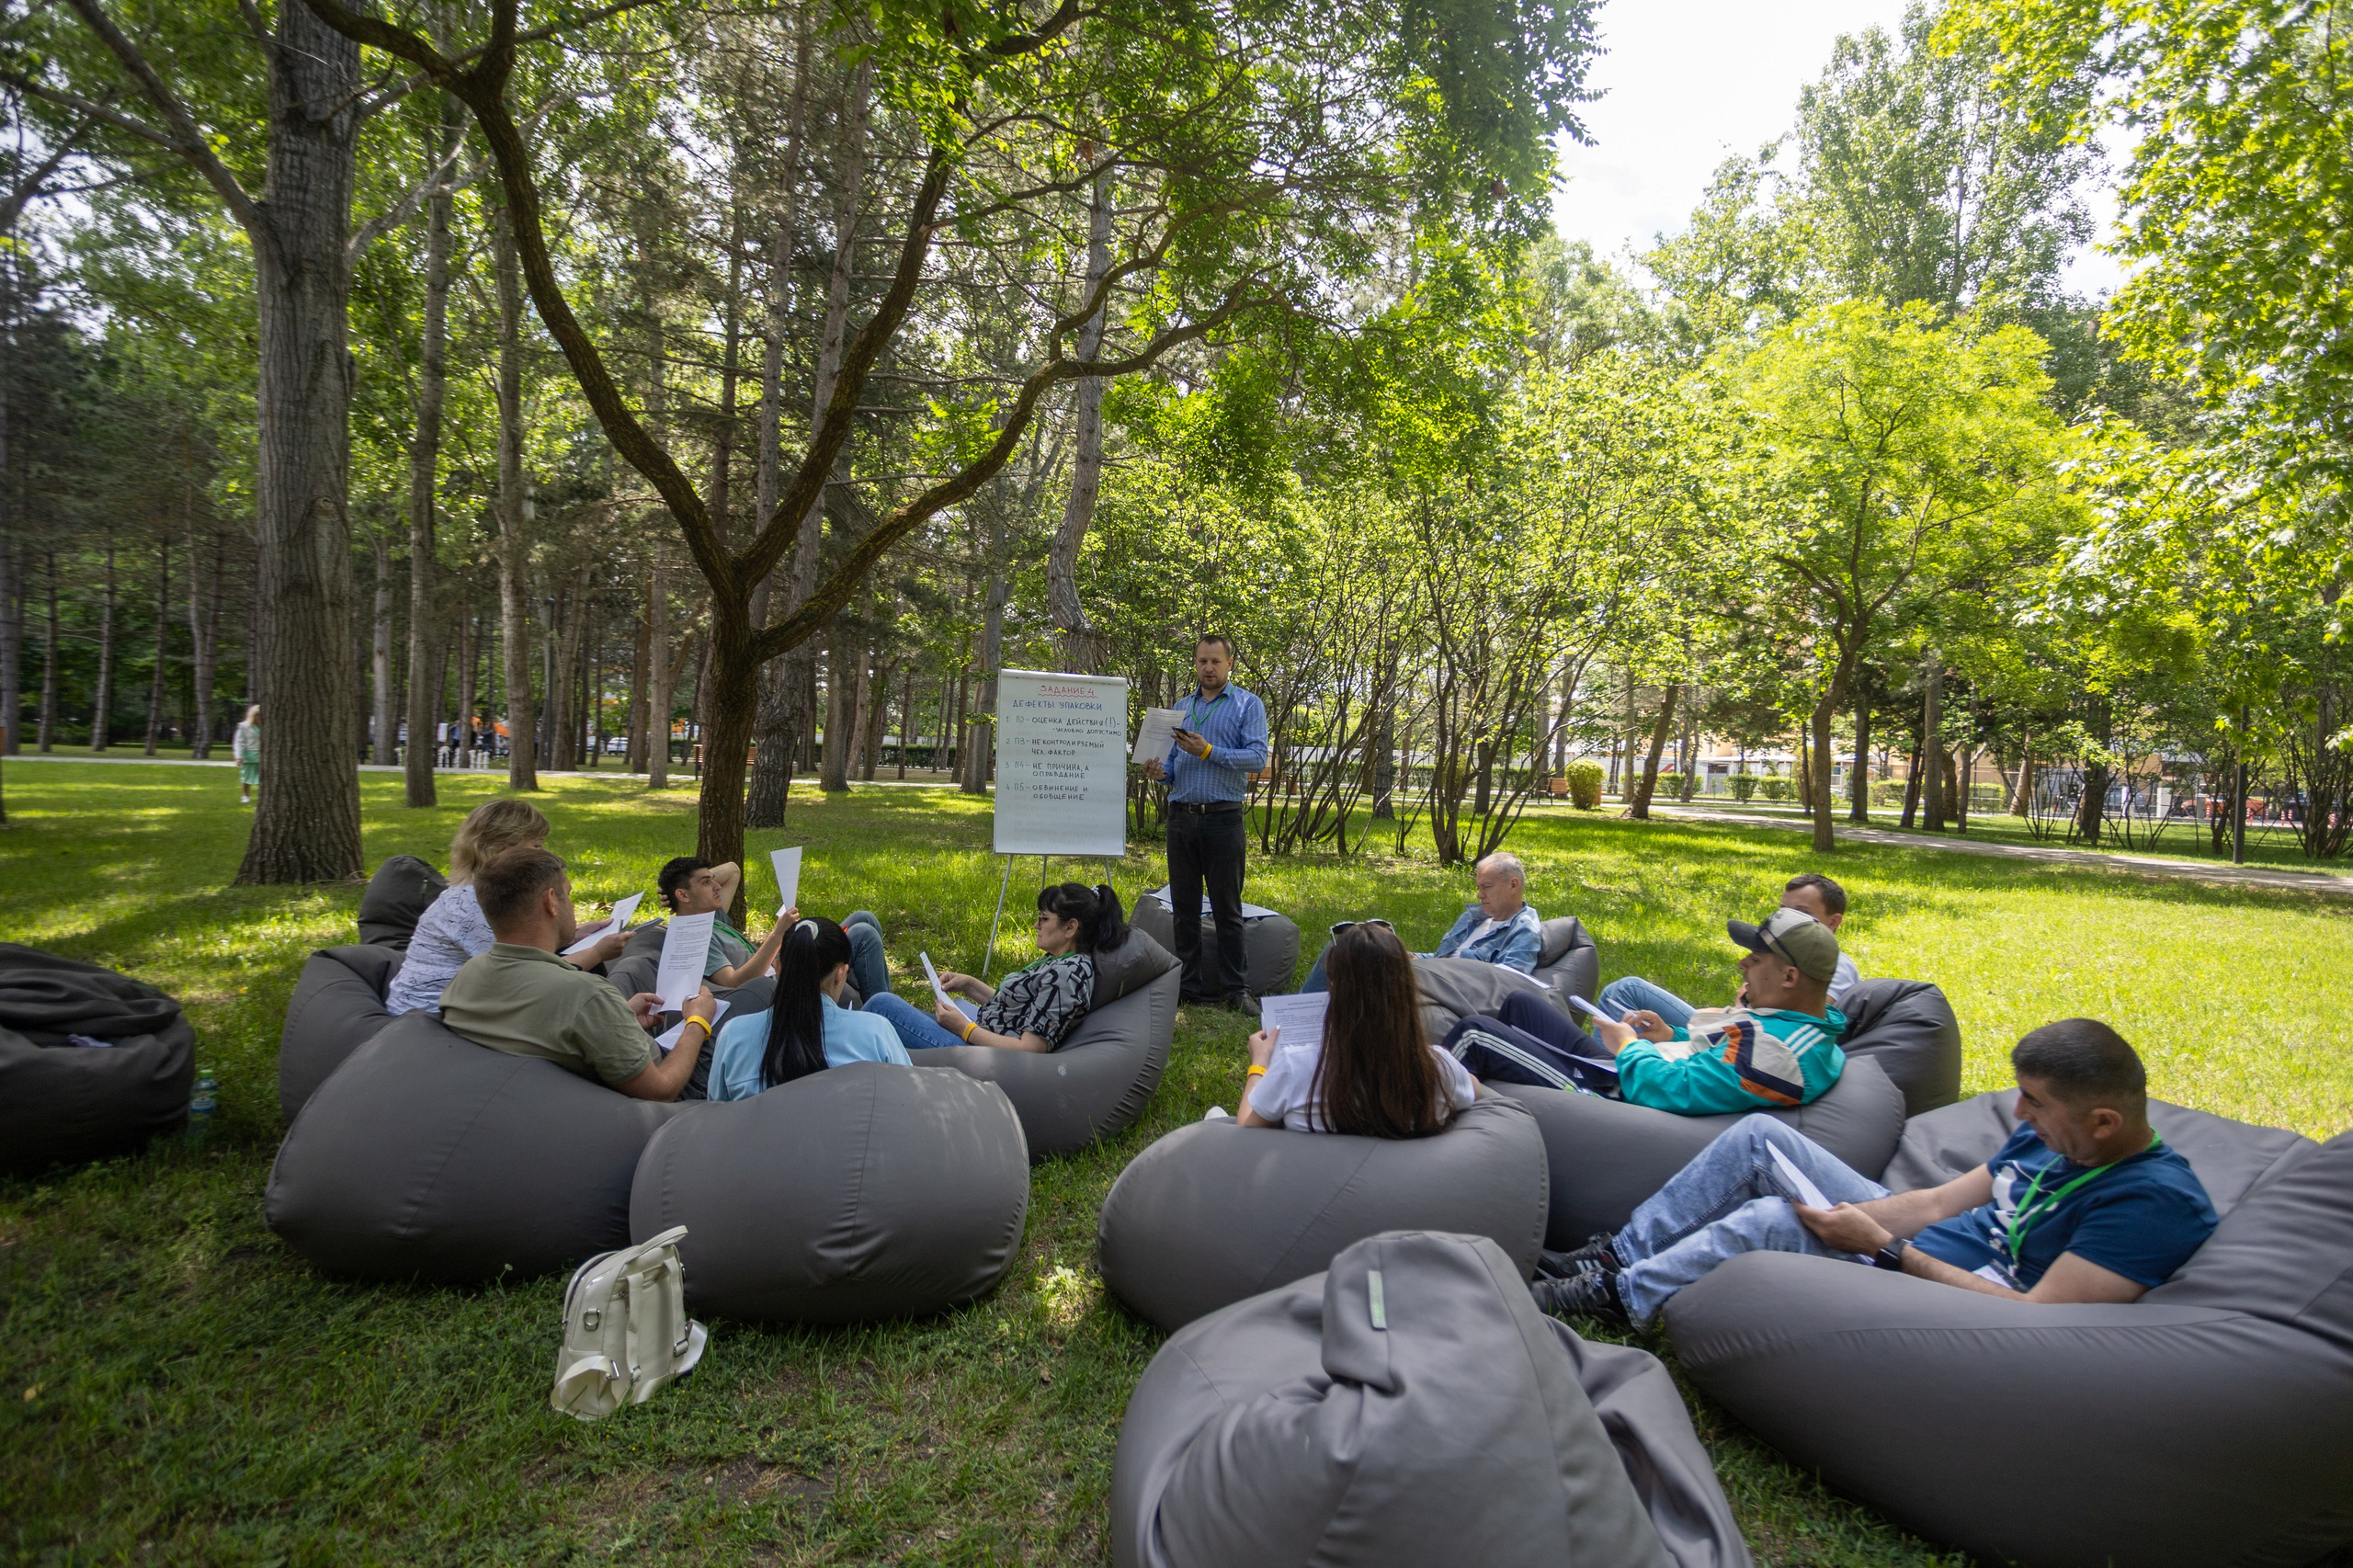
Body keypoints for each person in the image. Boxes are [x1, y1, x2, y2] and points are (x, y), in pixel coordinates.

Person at [1529, 1018, 2219, 1329]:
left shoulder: (2151, 1201)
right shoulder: (2055, 1142)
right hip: (1922, 1247)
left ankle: (1619, 1297)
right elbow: (1939, 1201)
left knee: (1771, 1221)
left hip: (1955, 1295)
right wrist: (1863, 1222)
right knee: (1762, 1139)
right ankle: (1620, 1252)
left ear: (2104, 1121)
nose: (2017, 1112)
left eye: (2036, 1102)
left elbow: (2041, 1318)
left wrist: (1880, 1248)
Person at [1443, 907, 1847, 1115]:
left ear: (1790, 977)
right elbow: (1724, 1062)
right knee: (1521, 1003)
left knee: (1476, 1032)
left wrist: (1627, 1046)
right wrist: (1673, 1036)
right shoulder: (1801, 1029)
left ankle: (1409, 1109)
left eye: (1755, 960)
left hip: (1620, 1098)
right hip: (1637, 1067)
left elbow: (1671, 1090)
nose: (1743, 965)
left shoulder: (1779, 1055)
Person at [438, 846, 715, 1101]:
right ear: (551, 902)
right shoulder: (586, 995)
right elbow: (661, 1091)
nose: (571, 905)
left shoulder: (468, 976)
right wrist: (696, 1023)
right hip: (660, 1103)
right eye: (568, 894)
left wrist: (618, 1020)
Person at [387, 800, 630, 1016]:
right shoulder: (475, 905)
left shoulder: (488, 893)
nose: (544, 853)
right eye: (536, 846)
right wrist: (596, 953)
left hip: (461, 1006)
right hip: (429, 1018)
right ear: (502, 850)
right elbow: (522, 980)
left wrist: (573, 937)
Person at [1234, 922, 1480, 1135]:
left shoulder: (1297, 1068)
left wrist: (1259, 1063)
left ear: (1334, 987)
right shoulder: (1441, 1070)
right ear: (1406, 989)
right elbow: (1481, 1093)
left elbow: (1247, 1129)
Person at [1142, 635, 1268, 1013]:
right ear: (1194, 664)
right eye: (1202, 662)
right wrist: (1159, 773)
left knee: (1228, 909)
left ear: (1229, 664)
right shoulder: (1181, 708)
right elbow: (1175, 771)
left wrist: (1209, 750)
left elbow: (1257, 758)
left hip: (1223, 819)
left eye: (1215, 661)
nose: (1208, 668)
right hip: (1182, 819)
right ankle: (1188, 986)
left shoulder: (1248, 704)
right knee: (1184, 908)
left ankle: (1235, 989)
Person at [863, 882, 1127, 1053]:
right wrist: (969, 984)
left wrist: (964, 1029)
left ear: (1070, 927)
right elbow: (1016, 1007)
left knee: (881, 1006)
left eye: (1044, 919)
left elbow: (1030, 1049)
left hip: (977, 1053)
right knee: (888, 1015)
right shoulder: (1057, 961)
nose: (1037, 925)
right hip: (978, 1034)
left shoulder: (1066, 976)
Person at [1600, 872, 1862, 1025]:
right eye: (1783, 909)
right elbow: (1747, 1003)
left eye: (1801, 913)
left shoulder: (1834, 965)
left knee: (1627, 990)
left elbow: (1796, 1014)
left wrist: (1630, 1049)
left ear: (1834, 921)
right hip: (1734, 1026)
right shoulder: (1785, 952)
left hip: (1737, 1033)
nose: (1786, 917)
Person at [708, 915, 911, 1099]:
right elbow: (908, 1101)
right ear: (841, 973)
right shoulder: (876, 1032)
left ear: (777, 967)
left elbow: (716, 1113)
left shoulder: (732, 1036)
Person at [1300, 851, 1541, 993]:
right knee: (1342, 945)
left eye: (1486, 887)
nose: (1479, 895)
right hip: (1431, 972)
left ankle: (1296, 1023)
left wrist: (1434, 970)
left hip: (1446, 989)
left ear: (1513, 885)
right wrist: (1413, 957)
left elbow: (1511, 983)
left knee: (1357, 955)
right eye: (1478, 887)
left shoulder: (1524, 928)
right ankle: (1299, 1017)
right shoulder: (1474, 916)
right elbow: (1443, 956)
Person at [233, 705, 261, 804]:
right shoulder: (244, 726)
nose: (259, 718)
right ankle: (245, 795)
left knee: (262, 777)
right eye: (258, 715)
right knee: (246, 777)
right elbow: (239, 742)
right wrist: (238, 757)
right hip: (249, 755)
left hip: (263, 755)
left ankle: (261, 796)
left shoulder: (266, 726)